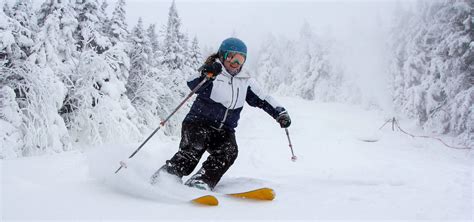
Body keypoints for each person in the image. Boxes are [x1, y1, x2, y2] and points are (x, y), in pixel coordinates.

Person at [150, 37, 291, 190]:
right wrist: (207, 73)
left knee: (229, 152)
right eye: (231, 58)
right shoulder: (213, 72)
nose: (234, 63)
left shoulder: (246, 81)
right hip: (198, 123)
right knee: (192, 152)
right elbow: (192, 83)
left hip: (224, 130)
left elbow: (263, 99)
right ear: (222, 56)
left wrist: (280, 113)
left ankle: (201, 181)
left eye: (239, 59)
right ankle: (164, 179)